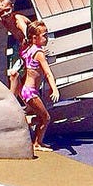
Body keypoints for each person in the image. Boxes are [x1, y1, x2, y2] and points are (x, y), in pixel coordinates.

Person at [19, 20, 60, 153]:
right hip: (30, 92)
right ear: (35, 38)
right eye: (45, 35)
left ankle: (29, 130)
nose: (47, 38)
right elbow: (48, 73)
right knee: (46, 118)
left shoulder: (29, 49)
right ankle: (37, 143)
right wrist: (54, 89)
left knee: (40, 117)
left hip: (26, 90)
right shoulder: (39, 53)